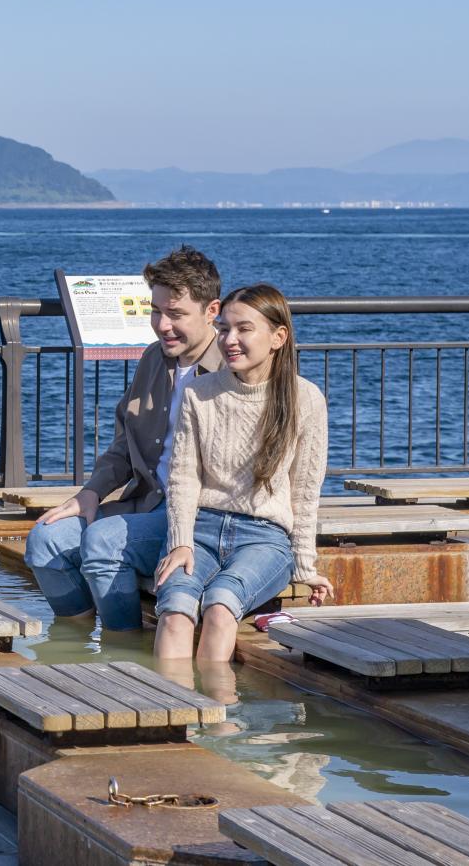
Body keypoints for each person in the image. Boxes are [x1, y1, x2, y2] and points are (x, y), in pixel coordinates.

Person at [24, 246, 225, 630]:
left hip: (197, 518)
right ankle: (77, 646)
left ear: (211, 311)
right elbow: (124, 443)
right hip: (144, 502)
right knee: (44, 542)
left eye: (176, 314)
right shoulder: (153, 359)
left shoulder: (231, 369)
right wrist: (91, 492)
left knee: (103, 542)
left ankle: (123, 649)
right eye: (156, 311)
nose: (162, 324)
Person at [152, 283, 332, 662]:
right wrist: (180, 541)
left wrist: (304, 566)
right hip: (200, 529)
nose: (229, 340)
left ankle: (217, 719)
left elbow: (304, 491)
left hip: (264, 538)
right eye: (223, 329)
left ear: (278, 337)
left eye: (244, 329)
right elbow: (183, 478)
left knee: (219, 607)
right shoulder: (198, 393)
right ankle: (171, 714)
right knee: (175, 611)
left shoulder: (306, 399)